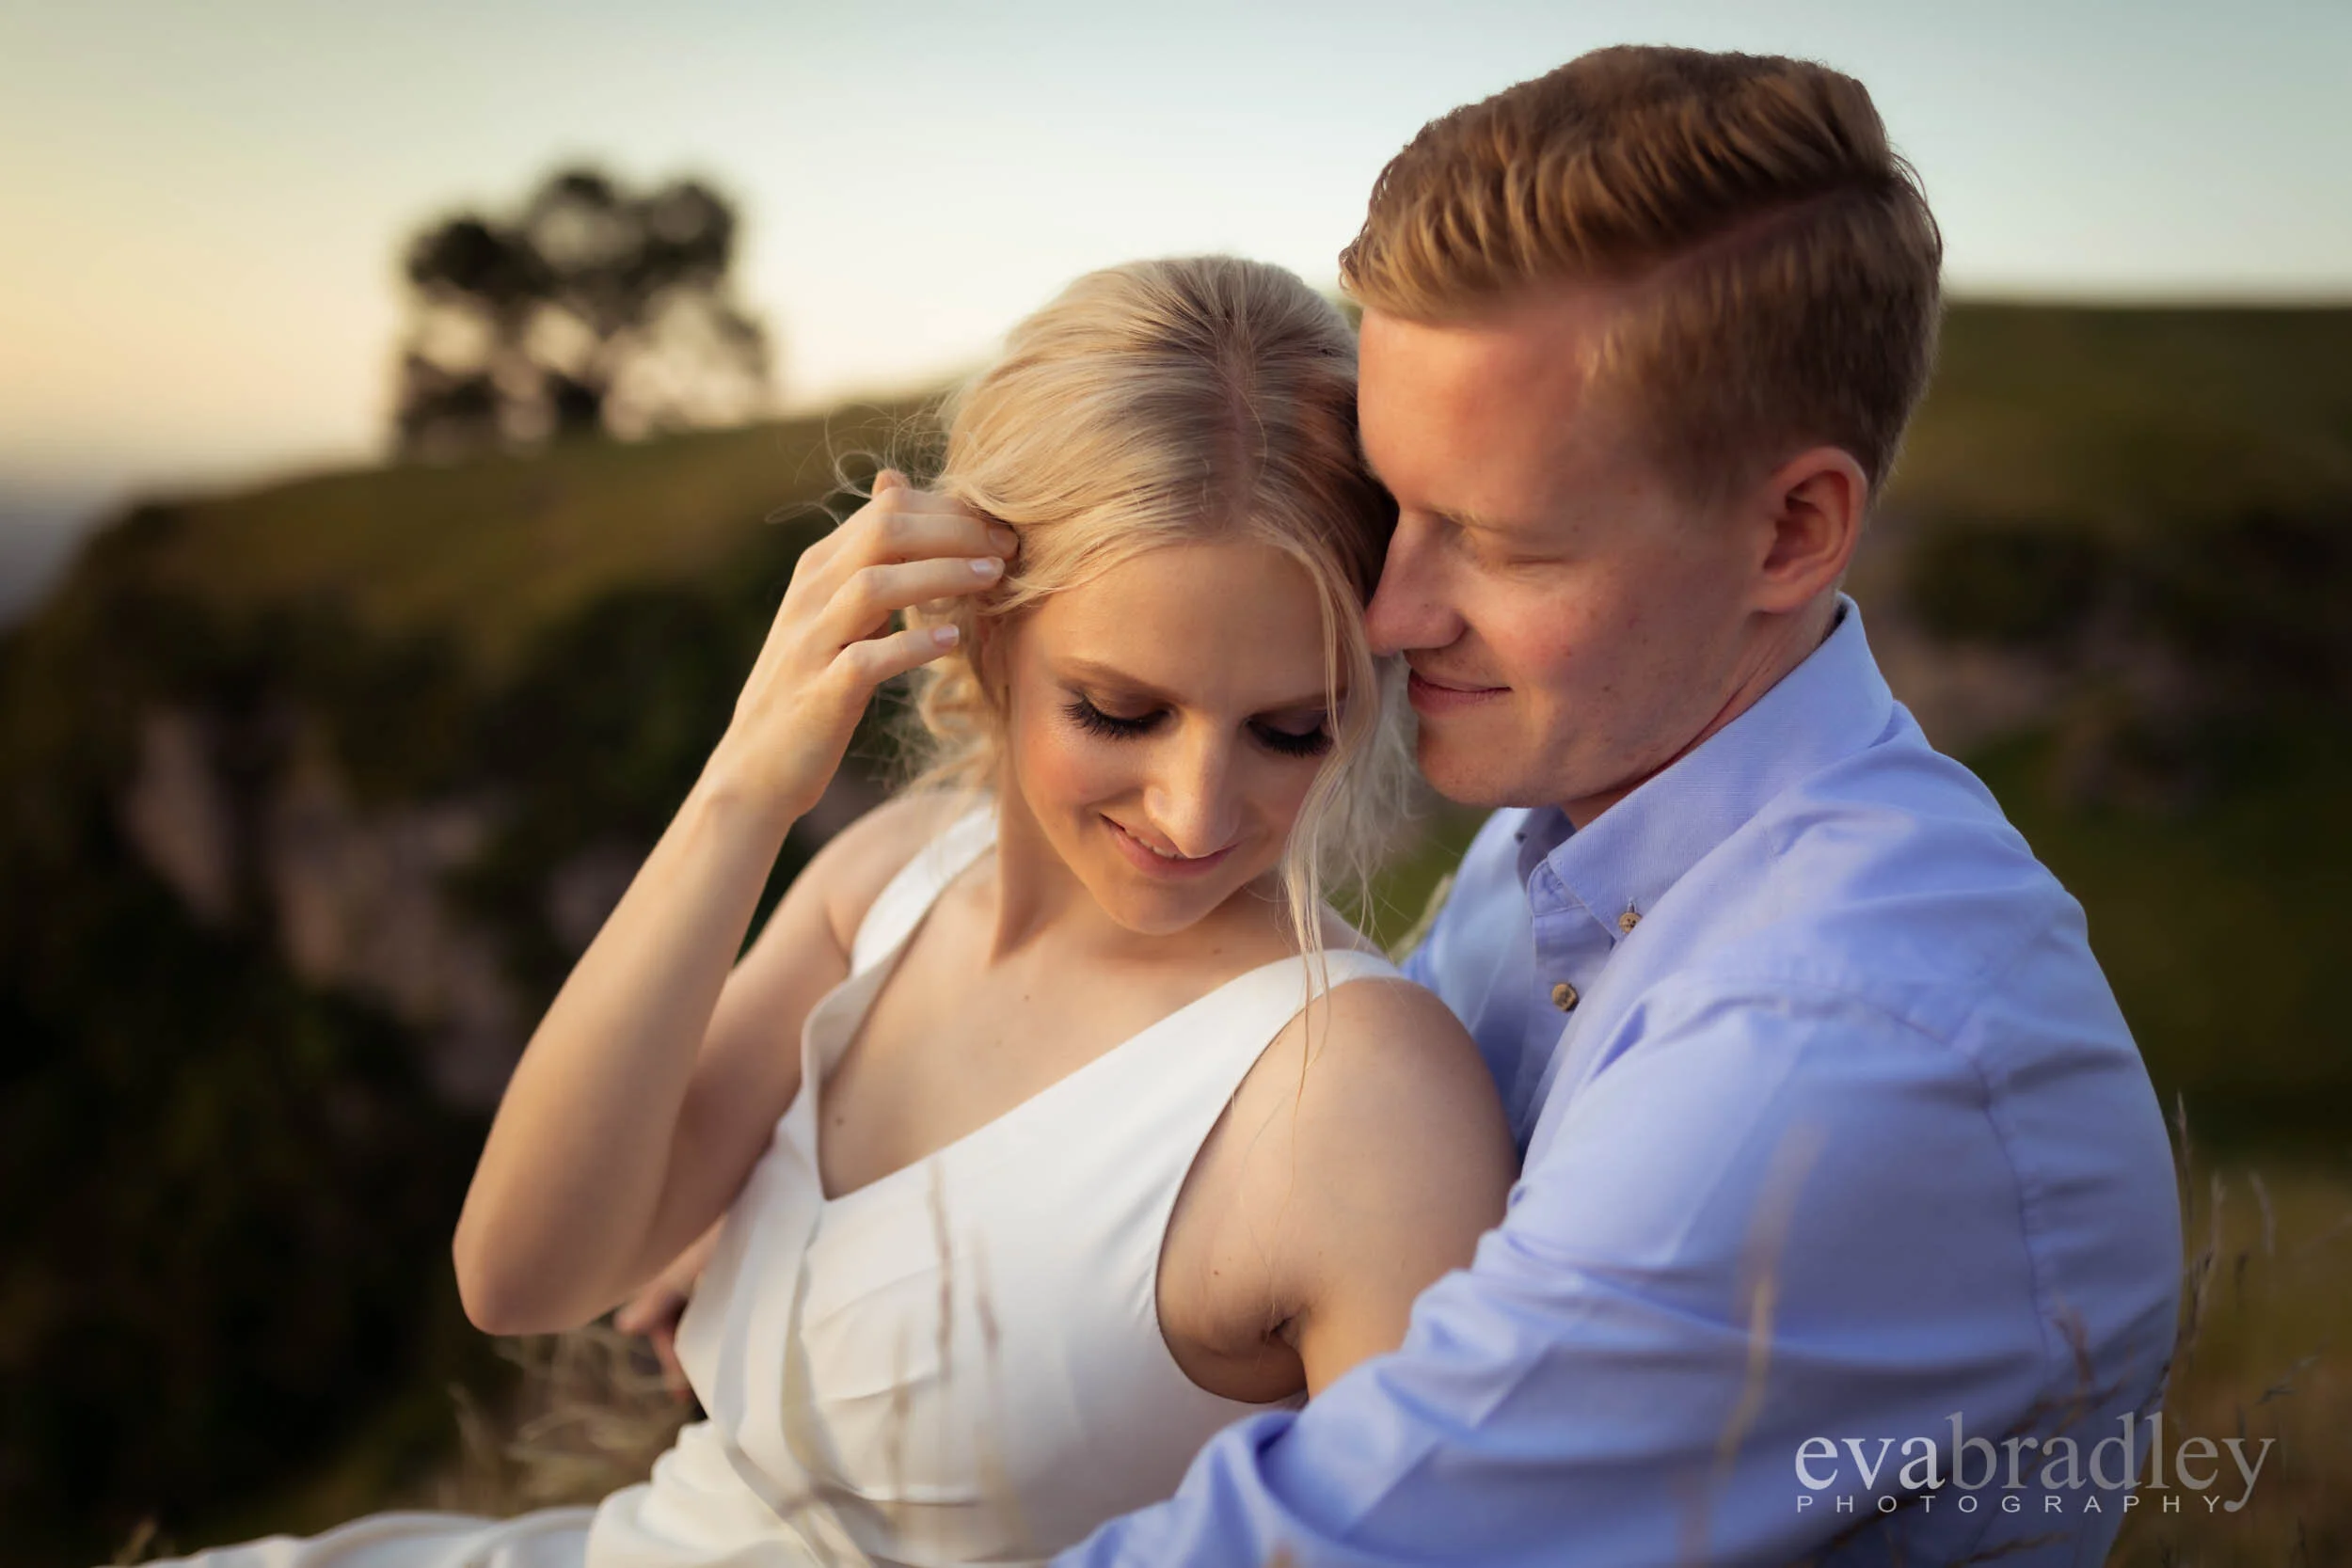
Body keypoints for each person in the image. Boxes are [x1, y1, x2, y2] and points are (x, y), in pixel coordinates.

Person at [147, 257, 1516, 1567]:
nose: (1197, 809)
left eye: (1292, 729)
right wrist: (742, 789)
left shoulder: (1354, 1093)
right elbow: (523, 1272)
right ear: (982, 628)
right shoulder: (893, 878)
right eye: (1119, 709)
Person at [1053, 46, 2185, 1568]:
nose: (1384, 617)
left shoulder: (1833, 1046)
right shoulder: (1577, 846)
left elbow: (1324, 1543)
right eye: (1394, 509)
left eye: (1500, 544)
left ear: (1791, 532)